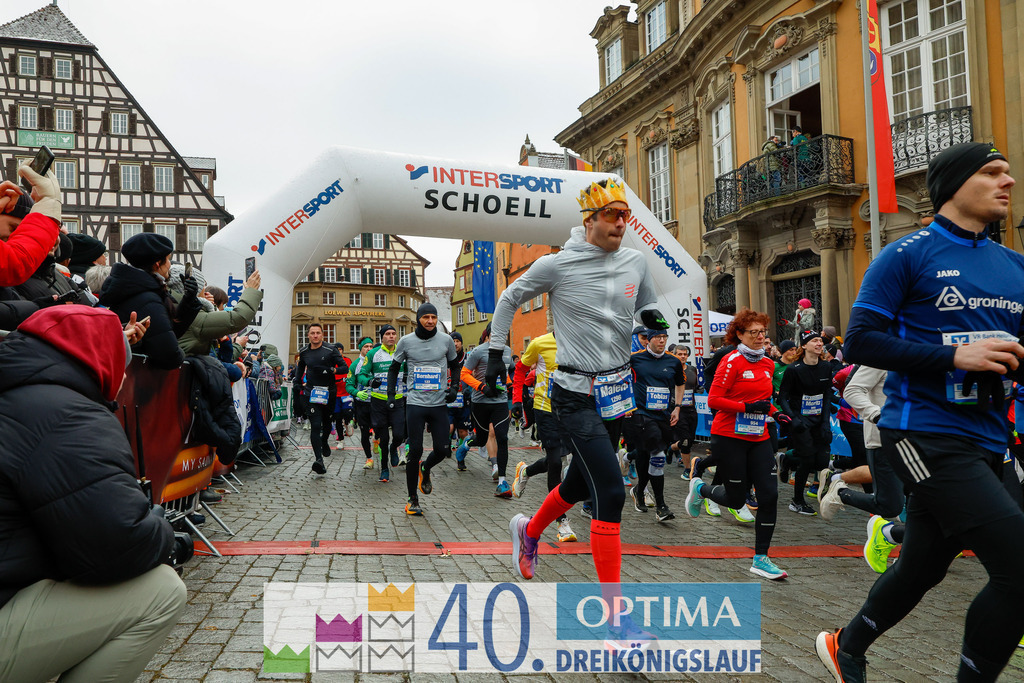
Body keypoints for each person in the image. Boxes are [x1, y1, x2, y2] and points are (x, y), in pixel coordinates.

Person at [816, 142, 1024, 682]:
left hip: (988, 440)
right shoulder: (908, 254)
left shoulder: (1014, 267)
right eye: (992, 172)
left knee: (924, 566)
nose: (1008, 182)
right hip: (921, 433)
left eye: (1008, 173)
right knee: (1019, 568)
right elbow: (860, 341)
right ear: (954, 184)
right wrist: (954, 355)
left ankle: (847, 644)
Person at [494, 178, 669, 594]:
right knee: (610, 492)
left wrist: (653, 321)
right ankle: (614, 619)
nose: (621, 223)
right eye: (612, 215)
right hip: (573, 394)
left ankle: (529, 531)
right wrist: (499, 351)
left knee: (578, 482)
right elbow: (509, 299)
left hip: (616, 394)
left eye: (625, 216)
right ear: (589, 219)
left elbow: (645, 304)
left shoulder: (635, 262)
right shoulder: (557, 264)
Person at [0, 306, 187, 683]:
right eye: (125, 364)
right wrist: (165, 530)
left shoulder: (19, 395)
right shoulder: (66, 413)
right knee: (162, 591)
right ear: (103, 359)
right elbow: (120, 544)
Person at [683, 308, 792, 579]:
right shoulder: (731, 361)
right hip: (729, 436)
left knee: (770, 495)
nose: (759, 337)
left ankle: (761, 558)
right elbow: (714, 400)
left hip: (758, 437)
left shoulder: (767, 363)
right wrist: (745, 406)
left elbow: (764, 402)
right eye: (753, 332)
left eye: (763, 333)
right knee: (735, 498)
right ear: (740, 334)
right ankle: (701, 488)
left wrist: (775, 412)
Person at [388, 303, 460, 515]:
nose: (430, 321)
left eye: (434, 317)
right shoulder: (406, 341)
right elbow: (393, 369)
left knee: (443, 449)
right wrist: (391, 395)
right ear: (418, 319)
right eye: (426, 317)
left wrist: (454, 387)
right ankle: (412, 499)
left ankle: (425, 468)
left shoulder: (446, 340)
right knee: (415, 450)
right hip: (415, 403)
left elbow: (455, 366)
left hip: (438, 403)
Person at [510, 331, 577, 542]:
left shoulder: (580, 340)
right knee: (556, 462)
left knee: (554, 461)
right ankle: (562, 521)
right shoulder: (539, 343)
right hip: (544, 409)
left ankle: (526, 471)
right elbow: (519, 370)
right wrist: (517, 401)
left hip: (570, 411)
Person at [99, 233, 201, 369]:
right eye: (168, 259)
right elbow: (170, 355)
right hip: (137, 383)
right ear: (158, 264)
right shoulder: (147, 299)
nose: (170, 265)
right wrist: (189, 357)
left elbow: (166, 331)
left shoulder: (135, 288)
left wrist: (189, 300)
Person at [625, 328, 684, 522]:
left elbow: (680, 383)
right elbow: (620, 376)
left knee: (645, 455)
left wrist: (677, 407)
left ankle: (639, 490)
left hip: (664, 414)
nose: (662, 340)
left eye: (664, 337)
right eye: (658, 337)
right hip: (641, 413)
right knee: (658, 455)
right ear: (649, 340)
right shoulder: (634, 358)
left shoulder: (673, 361)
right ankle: (661, 506)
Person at [776, 330, 833, 514]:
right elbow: (782, 397)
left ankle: (786, 458)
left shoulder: (826, 367)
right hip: (801, 421)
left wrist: (825, 422)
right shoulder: (794, 369)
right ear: (804, 346)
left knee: (822, 462)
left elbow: (826, 397)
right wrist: (793, 419)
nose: (819, 344)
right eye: (814, 341)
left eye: (820, 341)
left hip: (819, 420)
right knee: (807, 461)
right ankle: (797, 501)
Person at [462, 324, 514, 496]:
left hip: (499, 402)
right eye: (495, 334)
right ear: (488, 336)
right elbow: (464, 374)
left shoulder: (507, 351)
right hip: (480, 402)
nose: (500, 338)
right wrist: (482, 387)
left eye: (503, 335)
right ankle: (467, 444)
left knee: (502, 437)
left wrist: (509, 385)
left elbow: (507, 372)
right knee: (482, 438)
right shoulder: (478, 351)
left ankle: (502, 482)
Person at [293, 323, 348, 475]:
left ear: (322, 335)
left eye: (318, 333)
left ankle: (324, 441)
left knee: (326, 423)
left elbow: (345, 368)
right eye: (312, 333)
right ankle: (319, 460)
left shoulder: (331, 350)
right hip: (311, 393)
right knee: (315, 425)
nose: (315, 335)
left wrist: (332, 370)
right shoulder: (304, 352)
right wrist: (297, 383)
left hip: (329, 393)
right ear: (308, 335)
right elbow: (300, 369)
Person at [357, 325, 406, 481]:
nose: (391, 336)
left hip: (398, 399)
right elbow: (361, 376)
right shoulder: (372, 354)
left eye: (393, 333)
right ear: (382, 337)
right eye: (387, 334)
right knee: (383, 438)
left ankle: (394, 448)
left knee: (399, 434)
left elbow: (412, 371)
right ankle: (384, 468)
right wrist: (370, 381)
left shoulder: (403, 352)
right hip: (379, 401)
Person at [346, 336, 377, 469]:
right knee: (364, 432)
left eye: (371, 346)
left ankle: (377, 439)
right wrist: (357, 393)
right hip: (362, 402)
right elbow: (349, 385)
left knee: (380, 428)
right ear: (360, 348)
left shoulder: (377, 362)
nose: (369, 349)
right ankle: (369, 459)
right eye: (366, 347)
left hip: (377, 401)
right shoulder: (355, 365)